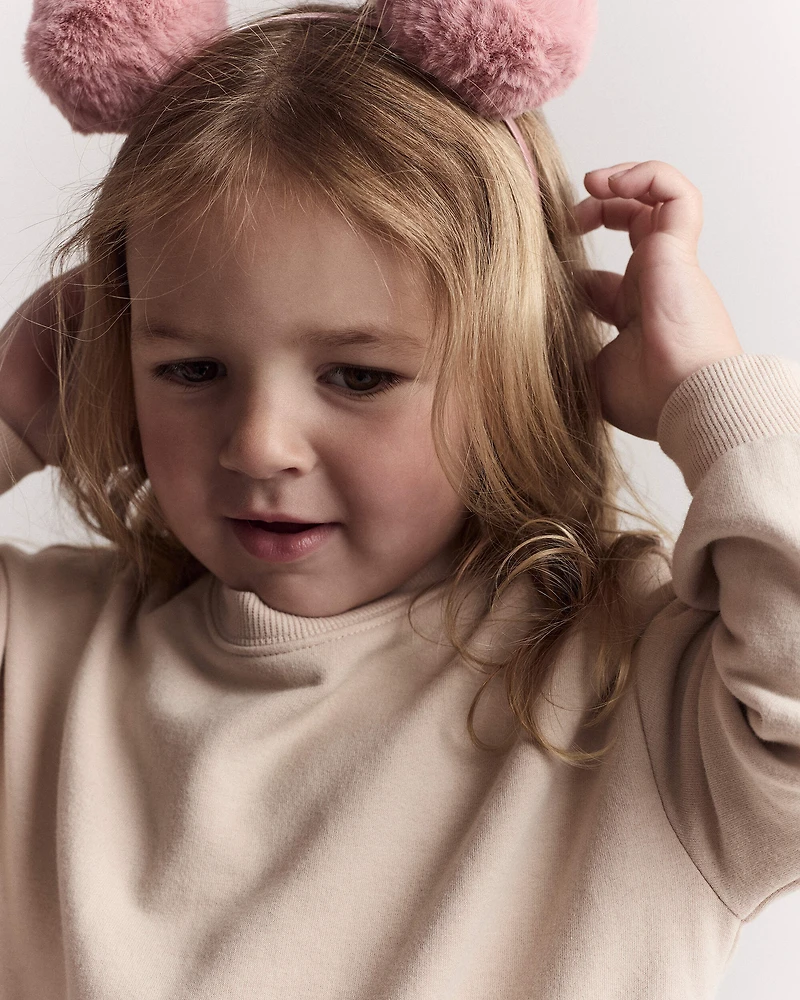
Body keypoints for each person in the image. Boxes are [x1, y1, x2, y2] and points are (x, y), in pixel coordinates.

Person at [2, 3, 800, 998]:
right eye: (194, 367)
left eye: (357, 377)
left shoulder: (633, 689)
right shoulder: (41, 652)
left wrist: (709, 400)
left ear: (516, 365)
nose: (258, 443)